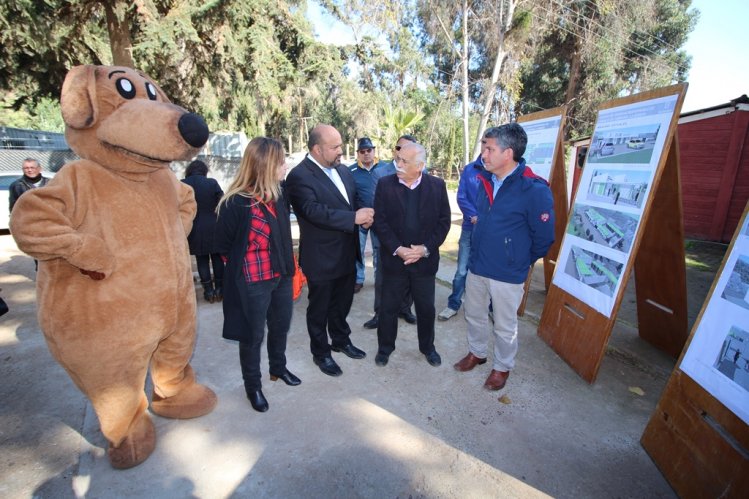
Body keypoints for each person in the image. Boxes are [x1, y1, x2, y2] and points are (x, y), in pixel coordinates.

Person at [454, 123, 554, 391]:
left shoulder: (534, 189)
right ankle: (477, 352)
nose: (483, 154)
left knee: (504, 325)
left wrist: (518, 260)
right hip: (478, 266)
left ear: (508, 153)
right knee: (473, 313)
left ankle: (502, 367)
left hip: (508, 273)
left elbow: (544, 239)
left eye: (489, 148)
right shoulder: (485, 180)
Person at [215, 137, 301, 413]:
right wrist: (244, 269)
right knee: (252, 336)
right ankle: (253, 386)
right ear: (264, 165)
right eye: (280, 161)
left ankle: (278, 368)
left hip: (281, 275)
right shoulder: (234, 203)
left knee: (280, 325)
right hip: (252, 282)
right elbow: (224, 247)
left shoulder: (279, 195)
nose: (285, 165)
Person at [285, 124, 373, 377]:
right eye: (334, 147)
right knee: (319, 309)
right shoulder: (299, 176)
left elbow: (351, 202)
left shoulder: (343, 171)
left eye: (340, 145)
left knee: (342, 303)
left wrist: (363, 216)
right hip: (321, 257)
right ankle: (321, 353)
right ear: (316, 148)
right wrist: (353, 218)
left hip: (347, 252)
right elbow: (312, 212)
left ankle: (340, 340)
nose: (340, 151)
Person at [373, 142, 451, 367]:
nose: (397, 164)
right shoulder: (385, 184)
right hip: (394, 261)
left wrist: (424, 249)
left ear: (420, 166)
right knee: (388, 308)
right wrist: (398, 249)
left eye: (404, 161)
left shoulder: (437, 186)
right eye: (398, 159)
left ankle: (428, 347)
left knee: (426, 309)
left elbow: (443, 223)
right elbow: (381, 222)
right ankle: (385, 348)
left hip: (424, 263)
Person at [362, 135, 419, 329]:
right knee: (383, 277)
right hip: (386, 238)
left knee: (410, 275)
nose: (402, 152)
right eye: (399, 147)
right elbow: (377, 208)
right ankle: (380, 313)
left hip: (412, 239)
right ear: (395, 150)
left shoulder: (420, 170)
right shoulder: (381, 173)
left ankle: (405, 308)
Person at [437, 155, 485, 321]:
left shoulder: (498, 169)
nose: (487, 149)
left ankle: (490, 308)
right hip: (469, 228)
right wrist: (473, 215)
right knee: (461, 271)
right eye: (485, 143)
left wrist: (486, 219)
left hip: (490, 233)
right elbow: (461, 196)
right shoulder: (470, 169)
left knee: (488, 273)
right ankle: (453, 304)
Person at [181, 160, 225, 303]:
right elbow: (223, 202)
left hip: (194, 228)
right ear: (204, 170)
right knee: (217, 258)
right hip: (214, 226)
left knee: (202, 259)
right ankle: (219, 289)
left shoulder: (182, 184)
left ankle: (208, 292)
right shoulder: (212, 183)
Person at [348, 137, 388, 294]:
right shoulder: (350, 171)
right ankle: (358, 279)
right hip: (361, 219)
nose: (366, 154)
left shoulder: (385, 168)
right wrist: (359, 215)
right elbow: (350, 196)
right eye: (362, 151)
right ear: (358, 153)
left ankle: (380, 279)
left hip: (381, 219)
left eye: (369, 150)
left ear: (374, 151)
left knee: (380, 251)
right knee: (358, 250)